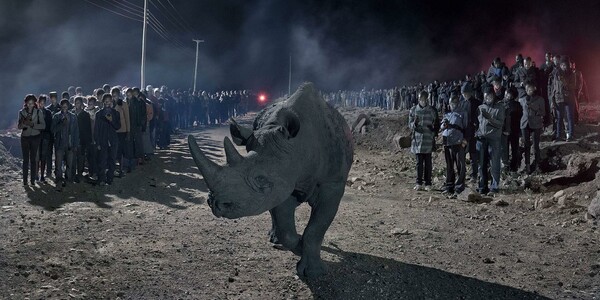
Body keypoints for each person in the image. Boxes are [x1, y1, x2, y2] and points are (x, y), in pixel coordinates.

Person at [476, 87, 505, 196]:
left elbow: (500, 123)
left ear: (493, 96)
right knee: (482, 164)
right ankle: (482, 186)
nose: (488, 98)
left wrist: (490, 118)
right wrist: (477, 132)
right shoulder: (480, 108)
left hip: (494, 139)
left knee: (495, 163)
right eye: (486, 96)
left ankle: (494, 186)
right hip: (482, 139)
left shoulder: (499, 107)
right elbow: (478, 123)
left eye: (490, 96)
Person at [409, 91, 439, 191]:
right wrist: (414, 124)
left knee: (428, 163)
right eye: (421, 99)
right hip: (417, 140)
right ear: (418, 99)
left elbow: (437, 123)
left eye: (424, 99)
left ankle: (428, 183)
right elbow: (409, 124)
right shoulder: (413, 110)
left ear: (427, 99)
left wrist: (434, 131)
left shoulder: (432, 110)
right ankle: (419, 182)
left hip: (428, 139)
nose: (423, 101)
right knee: (419, 163)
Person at [440, 95, 468, 198]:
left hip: (458, 141)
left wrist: (465, 140)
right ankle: (449, 186)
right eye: (451, 103)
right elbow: (441, 126)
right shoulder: (447, 114)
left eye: (454, 103)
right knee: (449, 165)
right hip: (447, 142)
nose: (453, 105)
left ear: (458, 103)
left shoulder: (462, 113)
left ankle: (459, 187)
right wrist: (444, 124)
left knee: (460, 165)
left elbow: (466, 127)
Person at [519, 81, 546, 174]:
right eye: (528, 90)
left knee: (535, 146)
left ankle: (537, 166)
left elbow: (543, 112)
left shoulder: (540, 99)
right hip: (525, 124)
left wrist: (534, 108)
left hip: (536, 124)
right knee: (526, 146)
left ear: (534, 89)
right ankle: (527, 166)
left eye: (531, 89)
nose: (530, 91)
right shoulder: (522, 100)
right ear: (526, 90)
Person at [18, 95, 46, 186]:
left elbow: (43, 126)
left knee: (33, 159)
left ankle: (33, 180)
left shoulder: (38, 112)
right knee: (25, 160)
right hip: (25, 137)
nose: (30, 105)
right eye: (28, 103)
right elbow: (19, 127)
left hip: (35, 137)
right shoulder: (21, 112)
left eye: (32, 103)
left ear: (34, 103)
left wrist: (33, 124)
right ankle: (25, 181)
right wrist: (24, 124)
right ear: (26, 103)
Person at [52, 99, 79, 188]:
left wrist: (75, 144)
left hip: (69, 143)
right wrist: (61, 124)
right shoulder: (56, 116)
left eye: (66, 106)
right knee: (58, 164)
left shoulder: (73, 117)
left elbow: (76, 132)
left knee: (69, 163)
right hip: (59, 144)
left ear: (68, 106)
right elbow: (53, 129)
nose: (64, 108)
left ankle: (68, 179)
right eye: (63, 106)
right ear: (61, 107)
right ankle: (59, 179)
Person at [95, 94, 121, 185]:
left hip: (113, 140)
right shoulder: (98, 114)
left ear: (111, 102)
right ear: (103, 102)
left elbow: (118, 126)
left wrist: (111, 120)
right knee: (102, 160)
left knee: (112, 160)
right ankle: (102, 178)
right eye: (105, 100)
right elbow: (96, 129)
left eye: (109, 100)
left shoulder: (116, 113)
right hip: (103, 140)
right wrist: (97, 142)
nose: (107, 102)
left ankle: (110, 178)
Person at [550, 56, 577, 141]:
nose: (563, 67)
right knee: (559, 117)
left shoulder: (571, 74)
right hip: (559, 98)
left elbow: (573, 86)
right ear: (560, 65)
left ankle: (571, 135)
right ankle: (559, 136)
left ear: (568, 65)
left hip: (569, 98)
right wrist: (552, 99)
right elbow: (553, 87)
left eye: (565, 65)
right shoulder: (556, 74)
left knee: (570, 117)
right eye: (562, 65)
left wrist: (565, 83)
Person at [459, 83, 482, 182]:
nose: (465, 95)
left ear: (470, 92)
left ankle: (474, 175)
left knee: (473, 154)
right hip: (464, 132)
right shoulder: (462, 103)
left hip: (473, 132)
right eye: (463, 93)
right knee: (462, 153)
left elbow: (480, 118)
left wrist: (478, 129)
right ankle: (462, 174)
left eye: (466, 93)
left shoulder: (477, 103)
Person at [501, 87, 523, 173]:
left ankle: (514, 167)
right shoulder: (501, 104)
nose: (506, 95)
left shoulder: (517, 105)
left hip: (514, 130)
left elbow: (520, 116)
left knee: (514, 149)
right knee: (504, 149)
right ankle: (506, 166)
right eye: (506, 94)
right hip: (504, 130)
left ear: (513, 95)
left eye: (508, 94)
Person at [73, 96, 92, 183]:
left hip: (82, 139)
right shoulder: (72, 114)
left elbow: (88, 129)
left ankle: (80, 174)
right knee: (73, 157)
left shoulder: (85, 115)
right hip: (73, 139)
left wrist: (88, 140)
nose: (77, 105)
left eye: (79, 103)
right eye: (76, 103)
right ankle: (73, 173)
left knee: (81, 157)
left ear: (81, 104)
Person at [113, 87, 130, 177]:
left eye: (115, 96)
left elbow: (127, 118)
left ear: (119, 95)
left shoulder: (123, 104)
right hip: (113, 131)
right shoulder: (110, 104)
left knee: (121, 150)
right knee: (115, 150)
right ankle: (116, 169)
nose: (114, 97)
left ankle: (122, 168)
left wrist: (128, 131)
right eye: (113, 95)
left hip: (122, 130)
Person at [128, 87, 147, 167]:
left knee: (138, 142)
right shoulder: (127, 102)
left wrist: (142, 124)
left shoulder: (139, 102)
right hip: (131, 125)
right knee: (132, 142)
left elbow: (143, 114)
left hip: (137, 125)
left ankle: (140, 158)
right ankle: (134, 158)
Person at [37, 95, 53, 183]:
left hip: (45, 136)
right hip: (37, 136)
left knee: (43, 157)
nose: (42, 104)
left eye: (43, 103)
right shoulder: (35, 112)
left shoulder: (48, 112)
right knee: (36, 157)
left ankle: (42, 175)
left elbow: (50, 126)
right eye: (41, 103)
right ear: (38, 103)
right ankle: (36, 174)